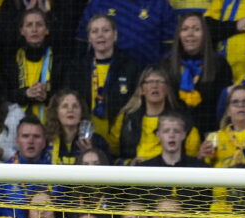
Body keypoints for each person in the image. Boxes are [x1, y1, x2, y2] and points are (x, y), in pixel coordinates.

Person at [62, 13, 141, 150]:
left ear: (115, 35)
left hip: (121, 142)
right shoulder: (77, 68)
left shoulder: (131, 67)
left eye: (105, 30)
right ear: (89, 38)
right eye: (95, 31)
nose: (100, 35)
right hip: (85, 142)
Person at [166, 12, 233, 135]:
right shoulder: (166, 65)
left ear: (205, 35)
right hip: (174, 137)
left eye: (196, 29)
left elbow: (226, 107)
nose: (190, 34)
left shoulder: (220, 65)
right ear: (179, 35)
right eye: (185, 29)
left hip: (211, 134)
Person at [0, 7, 61, 122]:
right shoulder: (10, 60)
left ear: (47, 30)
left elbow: (64, 93)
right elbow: (2, 94)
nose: (34, 29)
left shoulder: (59, 60)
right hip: (16, 128)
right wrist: (25, 93)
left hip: (51, 126)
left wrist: (47, 96)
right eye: (29, 25)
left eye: (39, 25)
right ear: (22, 31)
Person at [77, 0, 177, 69]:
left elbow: (171, 47)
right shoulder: (99, 3)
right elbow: (82, 43)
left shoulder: (159, 5)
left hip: (147, 78)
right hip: (105, 76)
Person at [42, 89, 111, 164]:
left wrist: (91, 153)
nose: (70, 110)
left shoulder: (98, 141)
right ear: (56, 112)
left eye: (75, 106)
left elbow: (109, 169)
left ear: (82, 112)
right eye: (65, 106)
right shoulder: (45, 140)